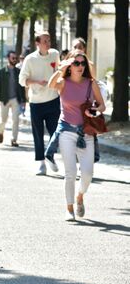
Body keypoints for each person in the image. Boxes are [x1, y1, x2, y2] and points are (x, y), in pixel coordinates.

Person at [47, 51, 105, 221]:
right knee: (70, 172)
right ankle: (69, 208)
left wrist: (94, 110)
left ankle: (80, 195)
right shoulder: (63, 82)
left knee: (87, 174)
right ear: (70, 66)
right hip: (66, 132)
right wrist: (60, 69)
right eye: (77, 63)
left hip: (86, 132)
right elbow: (51, 85)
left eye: (83, 63)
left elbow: (102, 105)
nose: (80, 66)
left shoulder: (90, 84)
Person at [19, 31, 61, 175]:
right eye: (45, 41)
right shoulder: (30, 59)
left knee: (55, 132)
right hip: (36, 102)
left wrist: (57, 83)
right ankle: (41, 163)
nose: (48, 44)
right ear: (37, 43)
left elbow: (59, 71)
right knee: (38, 134)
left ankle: (50, 155)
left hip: (53, 99)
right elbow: (22, 80)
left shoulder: (55, 54)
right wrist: (36, 82)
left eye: (49, 41)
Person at [0, 51, 26, 147]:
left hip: (15, 99)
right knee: (4, 119)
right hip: (4, 99)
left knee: (15, 119)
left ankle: (14, 139)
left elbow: (22, 86)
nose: (14, 60)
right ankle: (1, 131)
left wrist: (24, 100)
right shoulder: (2, 71)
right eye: (13, 58)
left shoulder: (18, 72)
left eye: (15, 58)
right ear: (8, 58)